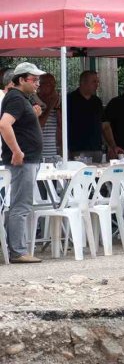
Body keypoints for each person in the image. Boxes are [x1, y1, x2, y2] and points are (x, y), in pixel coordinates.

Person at [0, 63, 47, 263]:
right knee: (21, 205)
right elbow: (4, 124)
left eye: (38, 80)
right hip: (23, 160)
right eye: (33, 79)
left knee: (21, 204)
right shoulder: (16, 99)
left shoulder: (21, 99)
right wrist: (17, 151)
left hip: (28, 159)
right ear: (21, 80)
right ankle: (18, 251)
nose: (37, 83)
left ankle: (18, 248)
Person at [68, 70, 104, 162]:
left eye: (97, 82)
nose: (97, 85)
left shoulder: (97, 101)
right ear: (83, 82)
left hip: (96, 149)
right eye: (94, 82)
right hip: (78, 149)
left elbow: (102, 124)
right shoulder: (70, 99)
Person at [37, 73, 61, 159]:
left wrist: (57, 107)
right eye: (48, 84)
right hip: (36, 154)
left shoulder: (57, 103)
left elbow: (62, 125)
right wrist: (50, 106)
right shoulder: (33, 101)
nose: (52, 87)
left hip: (51, 152)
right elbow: (39, 125)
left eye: (53, 84)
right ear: (40, 85)